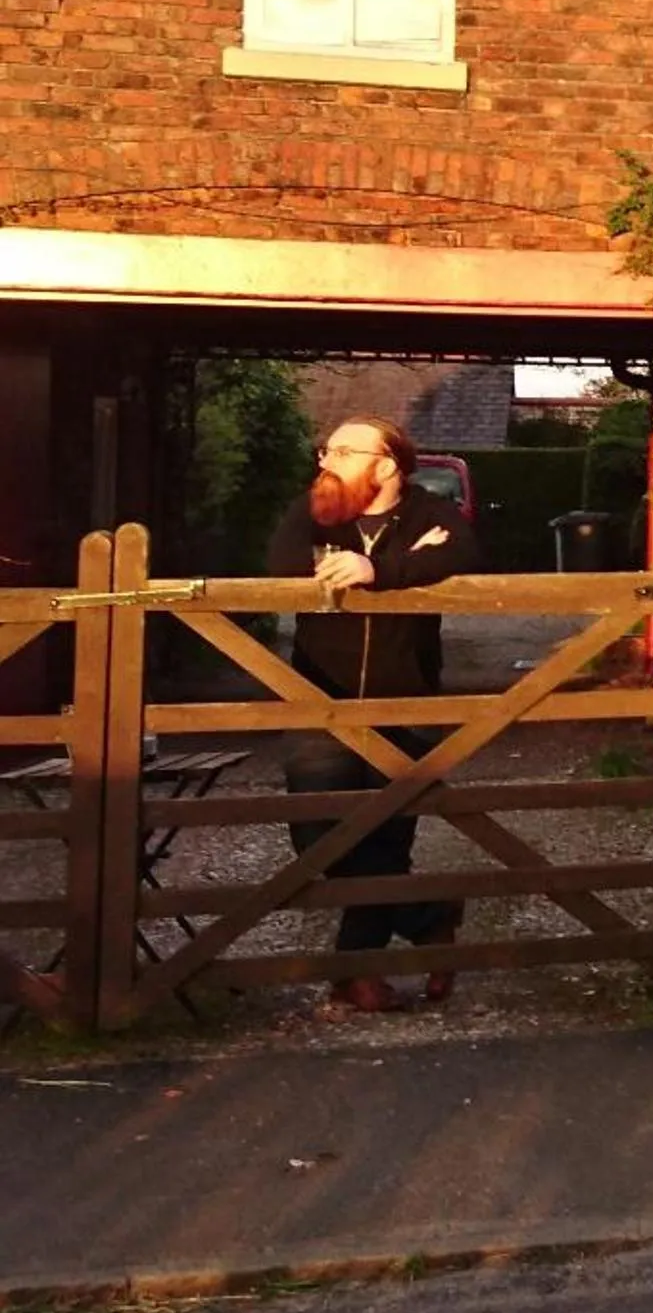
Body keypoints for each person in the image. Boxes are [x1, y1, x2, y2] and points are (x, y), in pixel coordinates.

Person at [267, 416, 477, 1014]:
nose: (326, 461)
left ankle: (356, 976)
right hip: (319, 697)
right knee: (315, 836)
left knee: (386, 838)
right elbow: (280, 567)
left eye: (343, 451)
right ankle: (431, 918)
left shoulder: (429, 515)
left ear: (386, 465)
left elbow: (464, 553)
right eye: (324, 449)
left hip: (403, 697)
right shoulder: (313, 510)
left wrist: (377, 572)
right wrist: (338, 566)